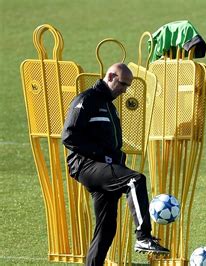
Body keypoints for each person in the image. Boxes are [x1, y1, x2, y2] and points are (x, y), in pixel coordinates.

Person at [62, 63, 169, 265]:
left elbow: (112, 144)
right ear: (110, 76)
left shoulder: (109, 106)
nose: (125, 90)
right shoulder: (86, 100)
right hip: (86, 166)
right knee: (135, 180)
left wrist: (116, 159)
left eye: (127, 86)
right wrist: (103, 156)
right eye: (123, 84)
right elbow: (69, 136)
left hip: (102, 168)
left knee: (106, 228)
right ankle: (144, 237)